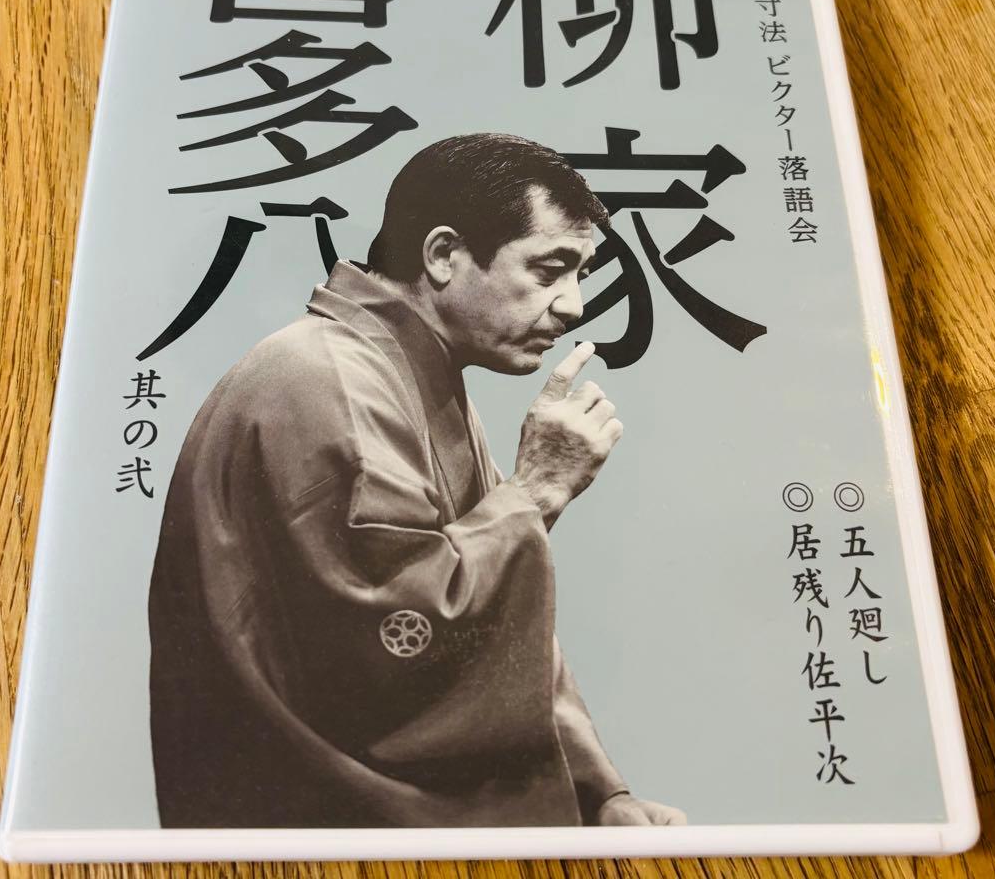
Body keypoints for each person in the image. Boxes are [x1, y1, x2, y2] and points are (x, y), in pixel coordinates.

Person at [148, 133, 685, 829]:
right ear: (443, 255)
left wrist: (600, 794)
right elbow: (392, 644)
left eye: (578, 274)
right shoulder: (331, 384)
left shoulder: (404, 369)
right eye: (550, 270)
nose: (574, 305)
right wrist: (536, 492)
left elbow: (506, 625)